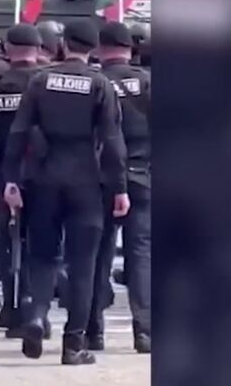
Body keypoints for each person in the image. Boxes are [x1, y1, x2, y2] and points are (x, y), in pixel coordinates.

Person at [2, 19, 129, 365]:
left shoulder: (40, 81)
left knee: (44, 256)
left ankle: (37, 314)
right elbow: (113, 140)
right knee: (83, 265)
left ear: (62, 45)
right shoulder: (101, 84)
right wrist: (119, 187)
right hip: (87, 181)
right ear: (94, 49)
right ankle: (73, 344)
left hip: (44, 178)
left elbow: (19, 131)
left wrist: (11, 179)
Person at [87, 22, 151, 354]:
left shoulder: (94, 82)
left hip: (101, 176)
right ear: (131, 49)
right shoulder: (149, 82)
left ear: (100, 48)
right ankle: (145, 330)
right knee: (142, 253)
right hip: (144, 174)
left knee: (99, 252)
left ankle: (93, 330)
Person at [0, 23, 46, 338]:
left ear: (6, 50)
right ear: (40, 49)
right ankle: (36, 310)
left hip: (3, 176)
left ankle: (12, 306)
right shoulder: (47, 83)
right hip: (44, 174)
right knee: (43, 244)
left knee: (8, 245)